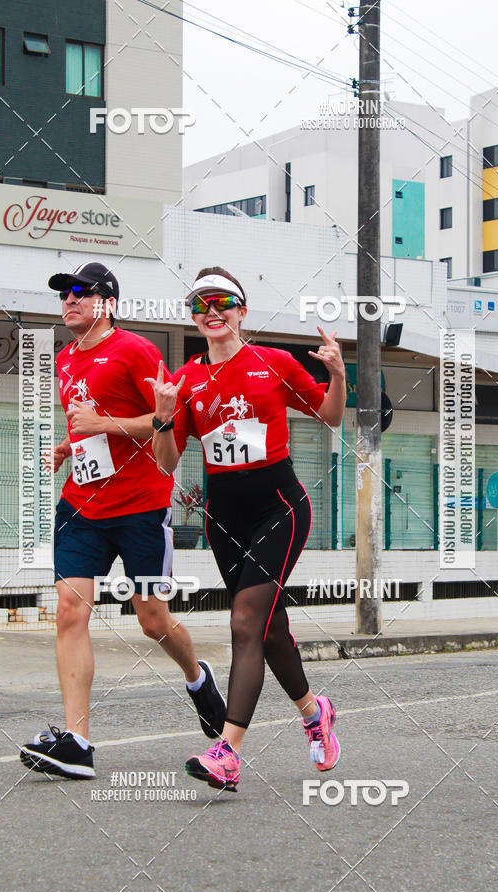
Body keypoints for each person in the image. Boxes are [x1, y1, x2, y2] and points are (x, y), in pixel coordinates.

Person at [19, 261, 225, 780]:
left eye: (79, 294)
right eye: (64, 295)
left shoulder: (136, 350)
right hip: (81, 508)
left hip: (140, 507)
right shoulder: (65, 359)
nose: (68, 301)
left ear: (106, 303)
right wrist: (69, 446)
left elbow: (167, 420)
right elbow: (88, 425)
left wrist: (102, 423)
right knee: (70, 611)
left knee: (151, 618)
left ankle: (198, 677)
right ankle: (77, 742)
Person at [149, 266, 346, 791]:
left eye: (222, 302)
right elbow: (166, 463)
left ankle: (228, 752)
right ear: (193, 316)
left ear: (241, 310)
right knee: (270, 629)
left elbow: (330, 415)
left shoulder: (273, 363)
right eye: (200, 305)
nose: (211, 312)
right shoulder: (186, 378)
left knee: (243, 621)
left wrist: (339, 375)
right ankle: (314, 712)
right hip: (223, 518)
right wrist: (163, 418)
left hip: (279, 506)